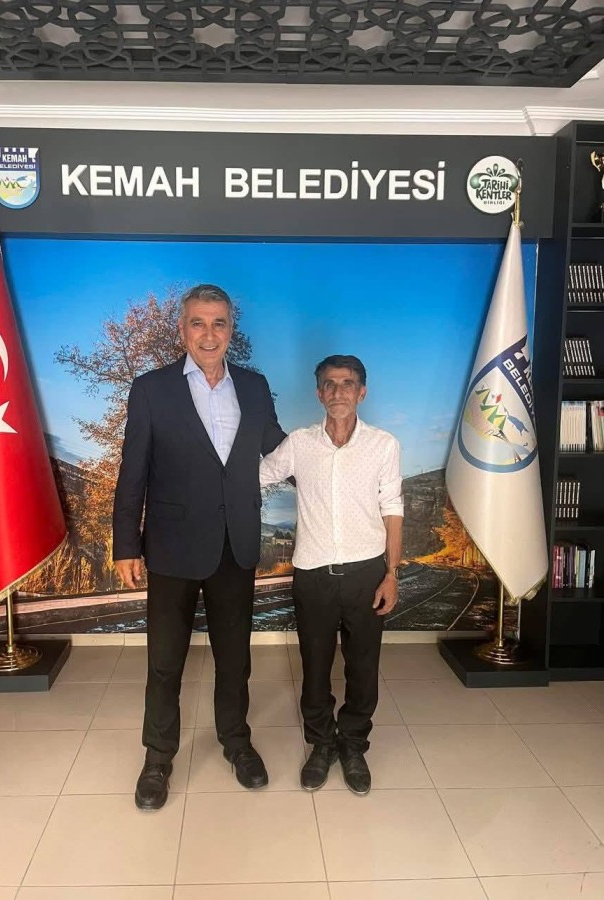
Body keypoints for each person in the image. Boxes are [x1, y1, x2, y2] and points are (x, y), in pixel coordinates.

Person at [113, 284, 286, 810]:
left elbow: (279, 449)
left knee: (235, 658)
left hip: (236, 544)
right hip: (171, 547)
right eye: (198, 323)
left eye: (219, 323)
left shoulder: (254, 386)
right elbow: (132, 472)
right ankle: (157, 757)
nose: (209, 334)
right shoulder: (151, 389)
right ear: (182, 329)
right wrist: (126, 545)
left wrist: (336, 463)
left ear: (231, 329)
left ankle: (236, 742)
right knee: (165, 661)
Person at [259, 354, 403, 796]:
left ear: (362, 392)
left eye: (348, 383)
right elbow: (256, 476)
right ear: (319, 393)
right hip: (314, 574)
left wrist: (391, 573)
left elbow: (393, 509)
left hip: (367, 573)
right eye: (330, 384)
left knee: (363, 666)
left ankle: (353, 744)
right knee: (315, 665)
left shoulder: (383, 445)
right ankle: (321, 744)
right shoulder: (299, 444)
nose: (339, 391)